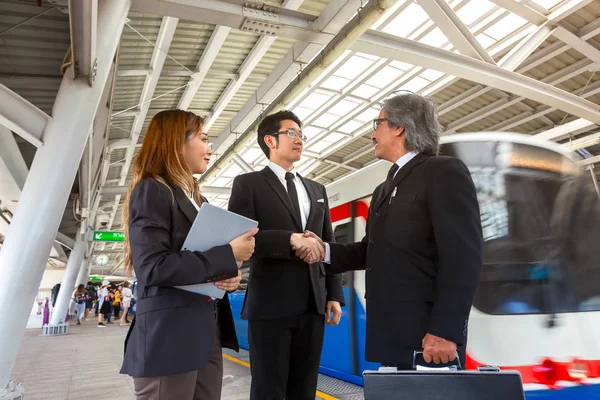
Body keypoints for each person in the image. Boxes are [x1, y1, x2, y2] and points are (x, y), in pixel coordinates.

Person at [299, 91, 483, 369]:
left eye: (378, 124)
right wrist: (323, 250)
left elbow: (463, 257)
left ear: (399, 128)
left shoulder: (443, 172)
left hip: (429, 338)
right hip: (392, 333)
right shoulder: (384, 189)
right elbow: (370, 250)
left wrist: (445, 330)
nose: (372, 135)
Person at [119, 109, 258, 400]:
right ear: (175, 143)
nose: (210, 148)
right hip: (168, 339)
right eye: (204, 139)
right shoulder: (152, 191)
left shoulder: (198, 200)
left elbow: (200, 261)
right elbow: (153, 268)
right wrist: (226, 254)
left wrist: (227, 275)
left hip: (205, 333)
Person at [228, 110, 345, 400]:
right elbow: (240, 238)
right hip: (270, 305)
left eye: (301, 135)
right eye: (291, 133)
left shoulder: (317, 189)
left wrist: (333, 293)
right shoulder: (248, 184)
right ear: (270, 140)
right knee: (269, 389)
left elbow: (328, 242)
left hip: (312, 304)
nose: (300, 140)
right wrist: (289, 239)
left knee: (305, 389)